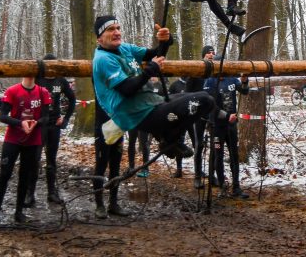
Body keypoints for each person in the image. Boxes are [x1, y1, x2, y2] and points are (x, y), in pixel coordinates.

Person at [92, 15, 215, 161]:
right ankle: (169, 139)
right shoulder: (103, 59)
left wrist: (165, 41)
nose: (117, 32)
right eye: (110, 29)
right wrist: (151, 69)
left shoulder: (124, 48)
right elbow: (126, 89)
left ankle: (168, 138)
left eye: (118, 28)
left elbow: (154, 54)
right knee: (205, 100)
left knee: (203, 99)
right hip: (137, 114)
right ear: (99, 38)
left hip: (151, 103)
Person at [0, 76, 51, 226]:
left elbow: (46, 117)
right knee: (5, 173)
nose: (29, 74)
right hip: (13, 138)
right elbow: (2, 117)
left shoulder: (43, 92)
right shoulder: (12, 91)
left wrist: (36, 123)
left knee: (25, 175)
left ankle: (19, 212)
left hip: (33, 138)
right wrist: (19, 123)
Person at [24, 53, 77, 207]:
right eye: (49, 67)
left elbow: (72, 99)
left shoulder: (60, 80)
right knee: (34, 160)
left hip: (54, 125)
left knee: (51, 161)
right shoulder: (37, 79)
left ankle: (52, 193)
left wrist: (65, 119)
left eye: (55, 67)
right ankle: (29, 194)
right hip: (38, 125)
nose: (52, 71)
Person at [204, 64, 250, 199]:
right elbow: (210, 105)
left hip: (231, 126)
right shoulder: (210, 81)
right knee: (218, 155)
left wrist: (245, 81)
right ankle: (222, 187)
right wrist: (225, 115)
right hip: (217, 127)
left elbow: (244, 91)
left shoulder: (232, 79)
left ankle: (236, 187)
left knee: (234, 155)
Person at [177, 46, 216, 188]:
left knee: (214, 145)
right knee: (198, 145)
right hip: (198, 113)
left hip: (213, 112)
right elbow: (187, 93)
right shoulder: (196, 72)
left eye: (213, 53)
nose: (211, 55)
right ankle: (197, 176)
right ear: (203, 55)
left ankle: (212, 175)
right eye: (208, 53)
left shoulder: (215, 72)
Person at [93, 99, 129, 218]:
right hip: (102, 130)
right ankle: (99, 205)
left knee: (115, 167)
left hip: (118, 130)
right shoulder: (100, 84)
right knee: (101, 167)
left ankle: (113, 204)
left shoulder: (119, 85)